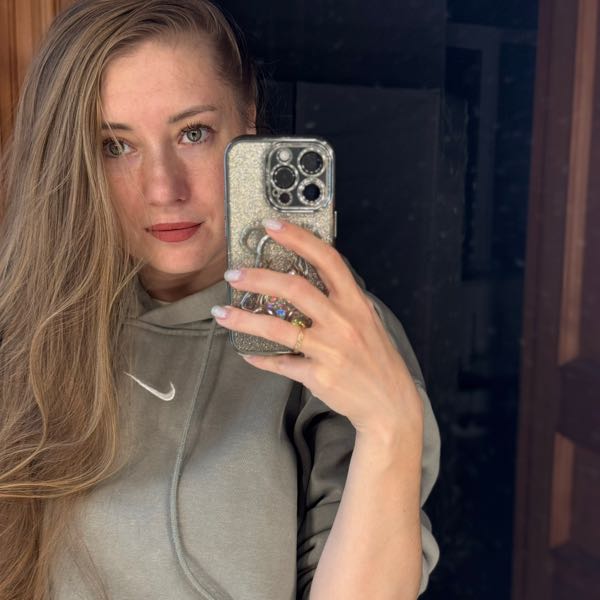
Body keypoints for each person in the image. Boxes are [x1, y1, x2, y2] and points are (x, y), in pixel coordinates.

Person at [0, 1, 441, 599]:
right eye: (116, 145)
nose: (164, 189)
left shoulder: (337, 336)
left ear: (247, 122)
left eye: (193, 134)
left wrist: (391, 426)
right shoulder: (24, 323)